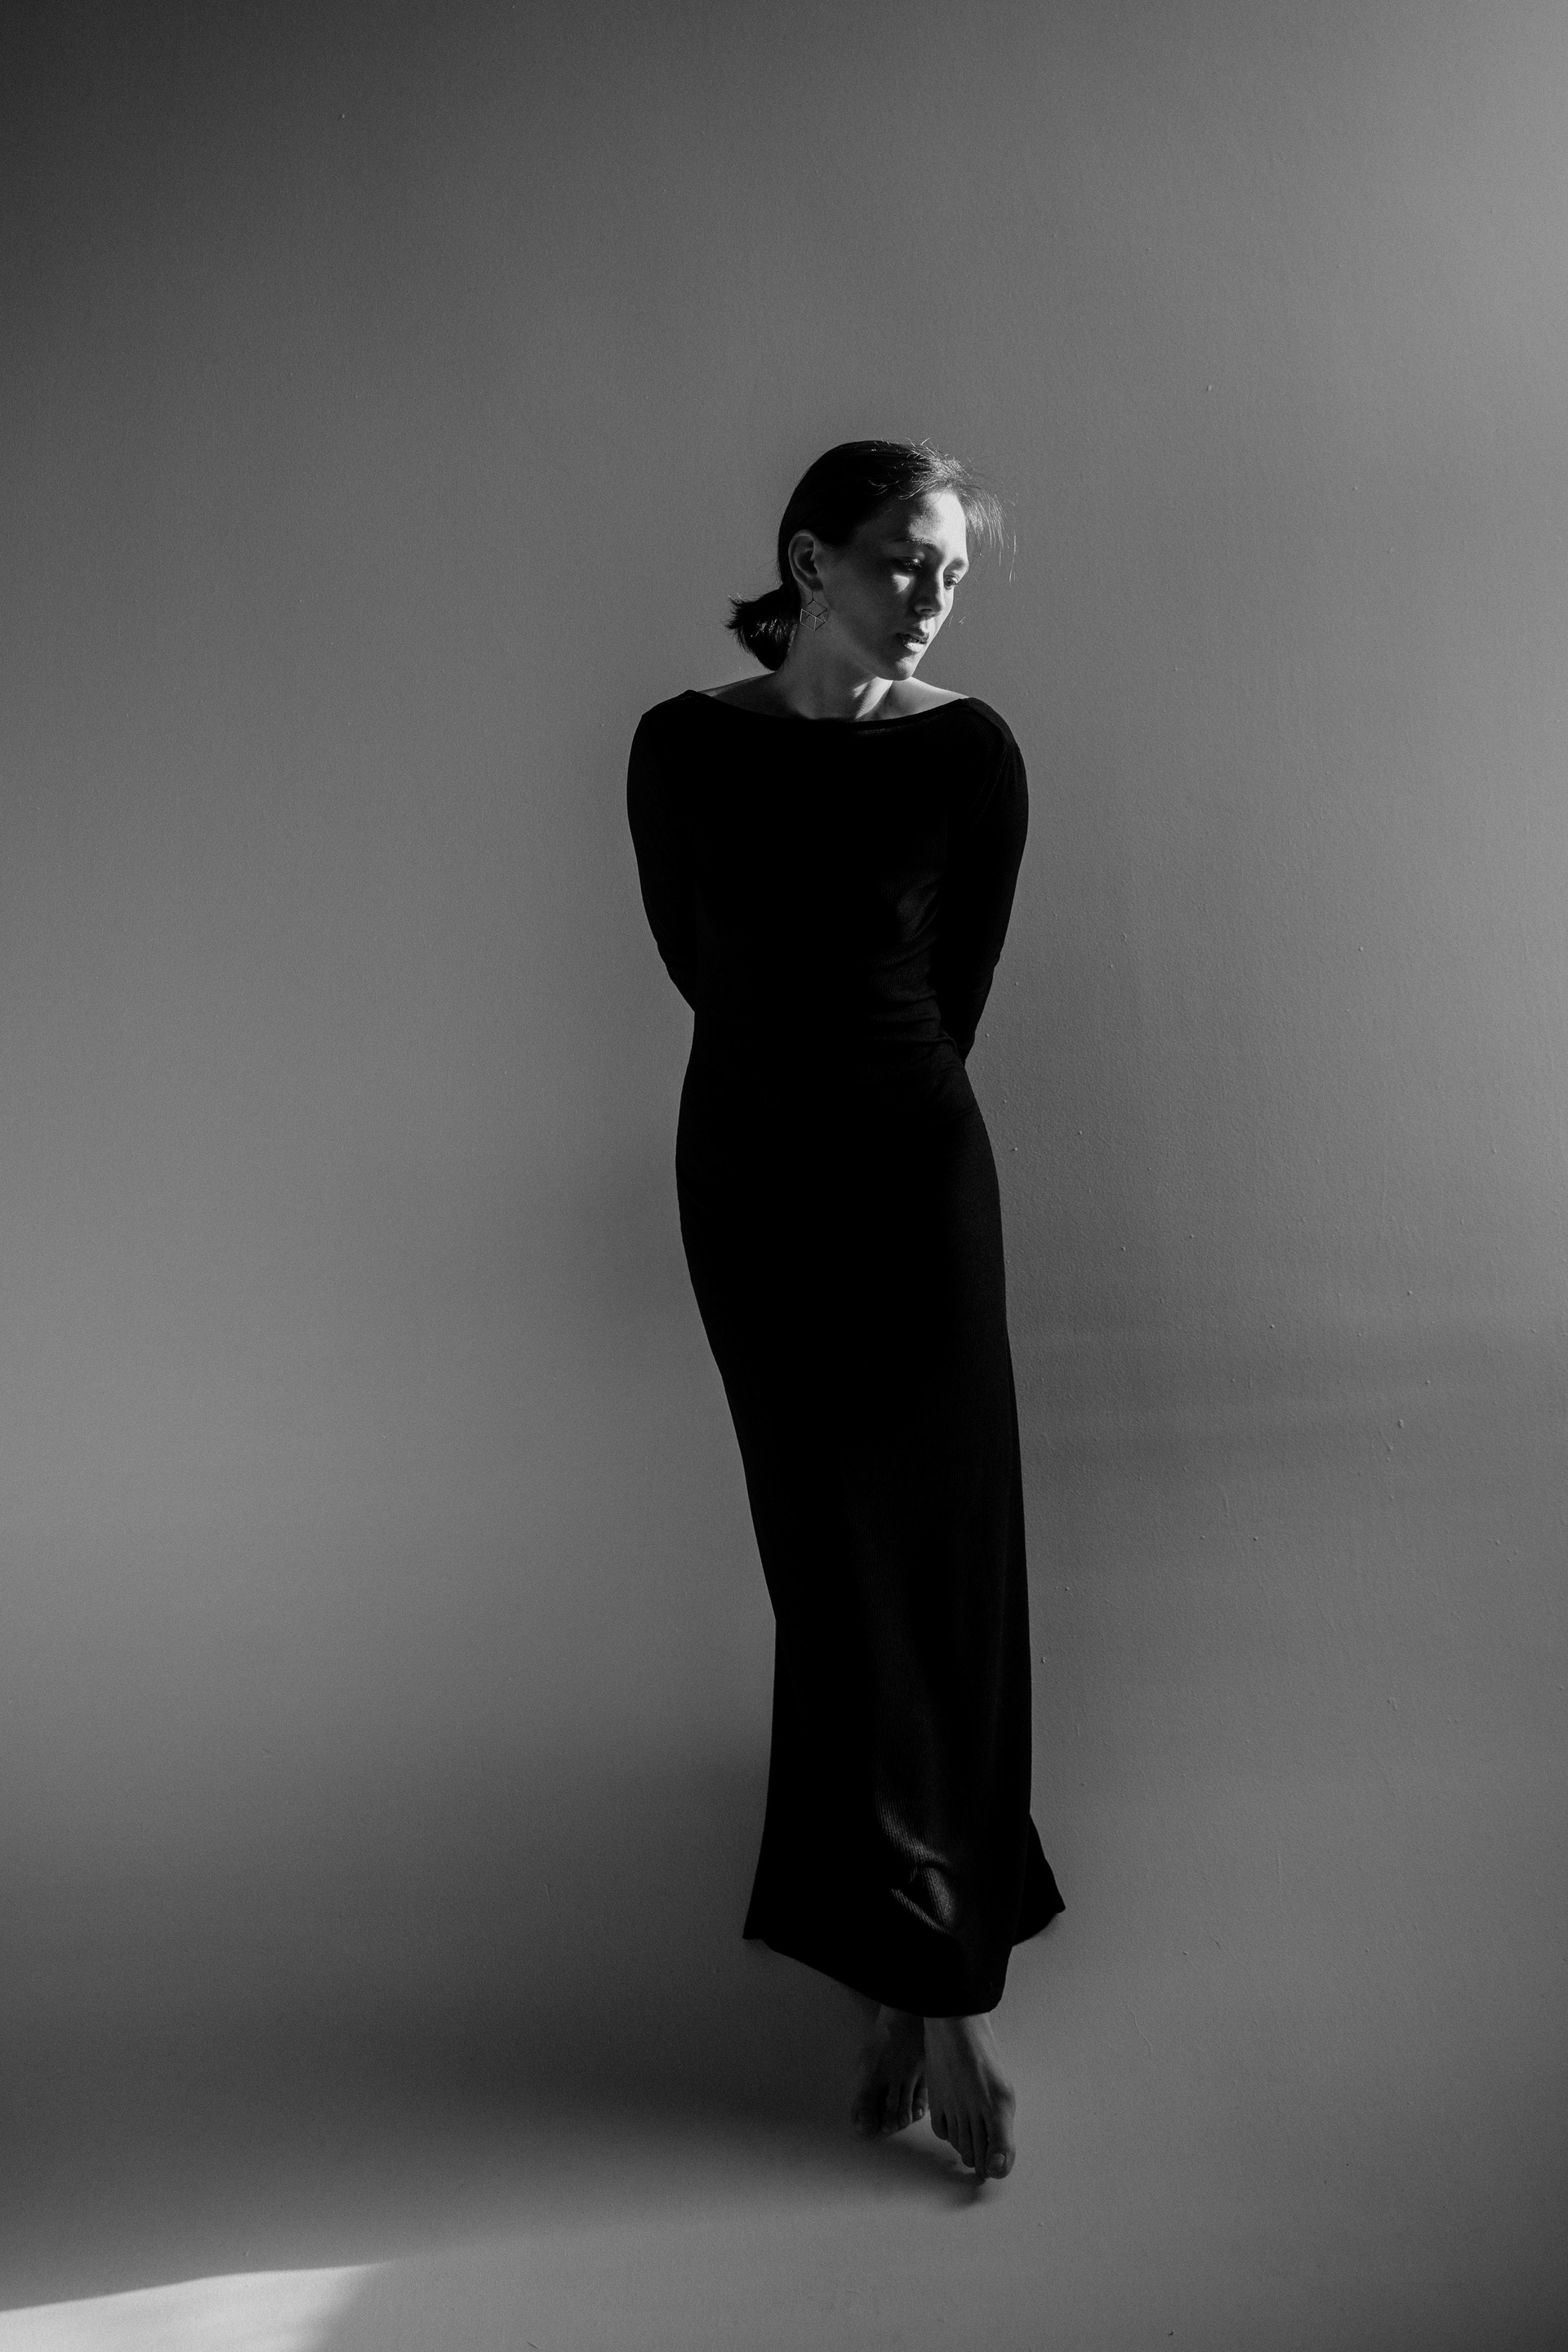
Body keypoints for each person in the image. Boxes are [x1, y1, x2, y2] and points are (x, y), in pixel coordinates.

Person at [626, 439, 1062, 2182]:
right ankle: (900, 1944)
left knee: (940, 1567)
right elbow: (702, 962)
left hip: (915, 1183)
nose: (932, 592)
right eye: (900, 558)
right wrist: (796, 1086)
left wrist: (868, 1091)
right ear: (810, 561)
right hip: (751, 1187)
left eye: (951, 567)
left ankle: (935, 1983)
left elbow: (957, 986)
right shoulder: (682, 747)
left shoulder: (971, 754)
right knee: (829, 1567)